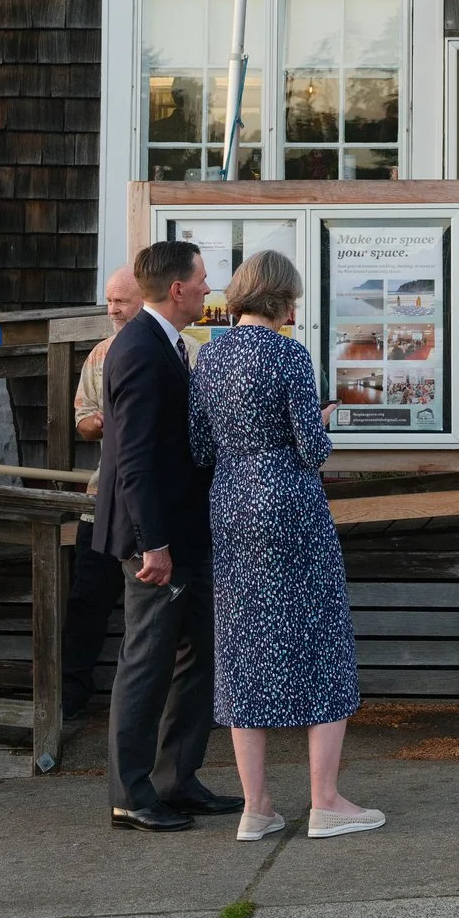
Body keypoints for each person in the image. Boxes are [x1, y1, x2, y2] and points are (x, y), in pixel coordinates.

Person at [191, 250, 382, 841]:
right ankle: (324, 802)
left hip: (230, 504)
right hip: (290, 502)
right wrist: (326, 419)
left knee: (244, 645)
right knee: (320, 639)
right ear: (283, 299)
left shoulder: (209, 357)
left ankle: (257, 808)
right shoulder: (289, 356)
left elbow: (198, 447)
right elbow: (312, 450)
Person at [99, 239, 237, 832]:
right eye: (203, 280)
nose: (210, 289)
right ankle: (130, 794)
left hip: (186, 533)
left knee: (195, 659)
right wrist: (151, 541)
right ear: (178, 289)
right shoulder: (139, 351)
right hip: (154, 541)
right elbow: (133, 457)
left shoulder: (169, 345)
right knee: (146, 662)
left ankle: (176, 779)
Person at [64, 265, 142, 719]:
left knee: (167, 606)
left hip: (155, 502)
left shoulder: (188, 351)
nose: (113, 309)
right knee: (87, 602)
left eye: (122, 300)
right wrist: (97, 422)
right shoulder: (99, 355)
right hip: (103, 498)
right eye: (109, 300)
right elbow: (82, 420)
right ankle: (72, 694)